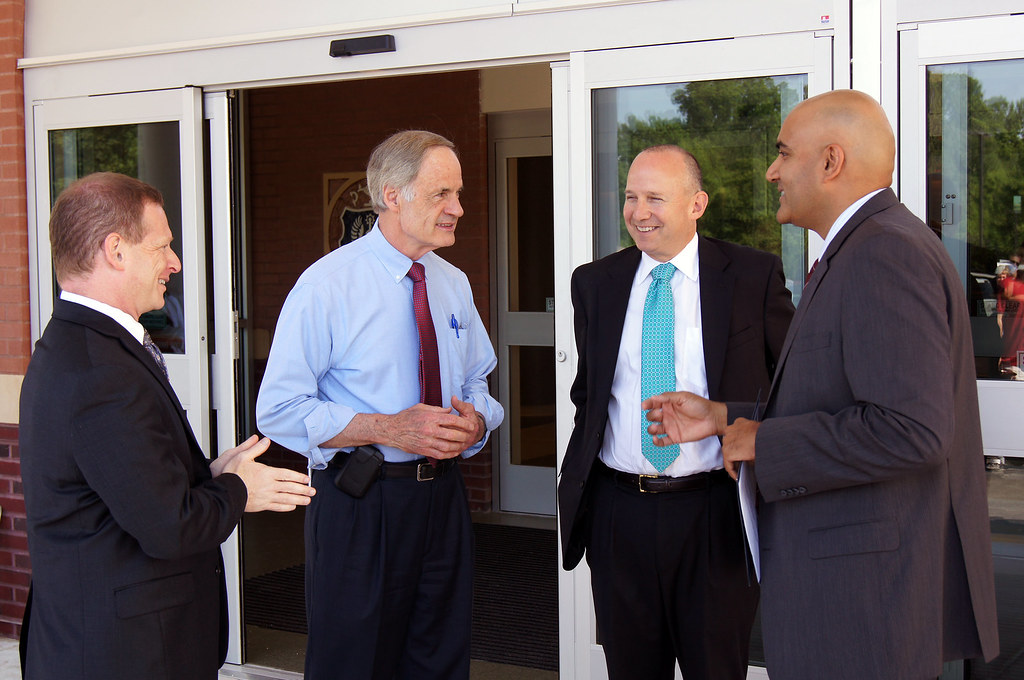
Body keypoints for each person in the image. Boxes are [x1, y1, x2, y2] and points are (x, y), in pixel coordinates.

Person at [644, 90, 1000, 679]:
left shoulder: (884, 253)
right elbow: (834, 398)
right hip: (856, 601)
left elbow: (912, 430)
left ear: (831, 162)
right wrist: (724, 417)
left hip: (860, 608)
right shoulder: (869, 245)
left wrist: (765, 442)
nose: (771, 170)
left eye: (784, 153)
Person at [19, 172, 315, 680]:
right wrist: (238, 489)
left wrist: (210, 473)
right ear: (116, 250)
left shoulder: (83, 346)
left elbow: (125, 487)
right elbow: (170, 527)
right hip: (124, 654)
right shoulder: (98, 372)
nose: (174, 263)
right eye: (162, 246)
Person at [256, 130, 503, 680]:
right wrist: (389, 428)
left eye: (457, 194)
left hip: (442, 500)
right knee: (355, 662)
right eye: (442, 194)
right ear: (393, 195)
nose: (457, 208)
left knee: (440, 657)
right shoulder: (327, 286)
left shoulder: (453, 283)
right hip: (361, 501)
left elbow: (478, 384)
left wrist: (476, 421)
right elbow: (277, 410)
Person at [558, 145, 794, 680]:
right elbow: (590, 397)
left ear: (697, 204)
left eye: (656, 198)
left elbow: (795, 388)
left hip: (713, 513)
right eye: (631, 197)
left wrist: (724, 415)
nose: (640, 212)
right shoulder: (595, 283)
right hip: (620, 513)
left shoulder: (752, 276)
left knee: (716, 668)